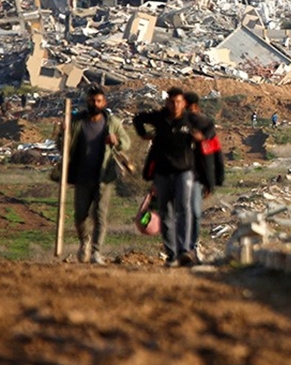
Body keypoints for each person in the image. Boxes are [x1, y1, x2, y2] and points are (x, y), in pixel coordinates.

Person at [134, 87, 209, 267]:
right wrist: (144, 134)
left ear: (183, 103)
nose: (175, 105)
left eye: (178, 102)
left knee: (184, 210)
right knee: (165, 213)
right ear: (167, 102)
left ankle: (184, 251)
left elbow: (209, 129)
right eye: (171, 101)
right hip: (162, 173)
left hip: (184, 172)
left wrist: (201, 137)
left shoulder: (190, 120)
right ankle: (172, 254)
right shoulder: (160, 118)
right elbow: (138, 119)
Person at [58, 86, 130, 264]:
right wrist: (62, 133)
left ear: (104, 102)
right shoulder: (76, 121)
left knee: (100, 215)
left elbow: (126, 143)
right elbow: (62, 147)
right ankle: (85, 242)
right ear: (87, 101)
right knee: (80, 216)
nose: (95, 104)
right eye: (91, 100)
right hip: (82, 175)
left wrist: (116, 141)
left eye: (98, 101)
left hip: (104, 177)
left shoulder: (112, 122)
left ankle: (96, 252)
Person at [184, 91, 220, 261]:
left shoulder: (205, 127)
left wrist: (209, 182)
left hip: (197, 177)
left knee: (196, 213)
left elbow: (210, 157)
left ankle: (192, 245)